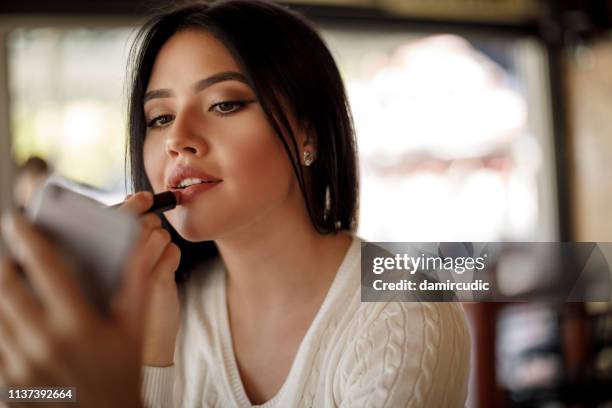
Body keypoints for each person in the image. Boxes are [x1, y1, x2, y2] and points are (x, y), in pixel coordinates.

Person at [0, 1, 470, 407]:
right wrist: (152, 353)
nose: (177, 140)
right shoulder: (158, 308)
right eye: (160, 117)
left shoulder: (408, 311)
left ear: (307, 133)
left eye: (224, 104)